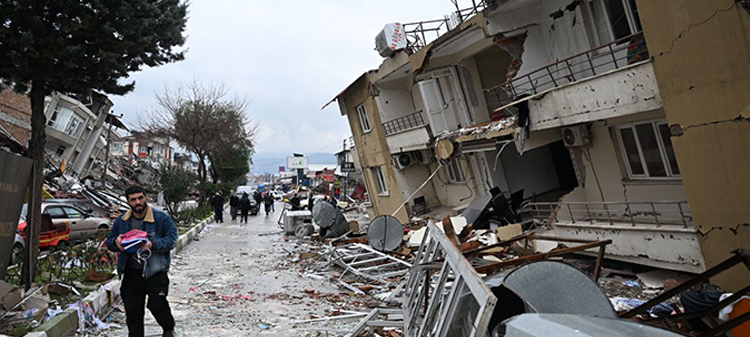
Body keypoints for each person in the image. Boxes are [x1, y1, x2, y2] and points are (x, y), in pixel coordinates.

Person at [106, 185, 177, 337]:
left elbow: (172, 240)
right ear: (128, 202)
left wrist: (152, 244)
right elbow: (110, 242)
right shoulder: (122, 221)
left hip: (155, 272)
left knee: (157, 305)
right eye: (133, 200)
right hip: (131, 273)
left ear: (145, 198)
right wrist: (116, 243)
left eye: (140, 198)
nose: (138, 202)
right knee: (133, 312)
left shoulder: (161, 218)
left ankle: (168, 327)